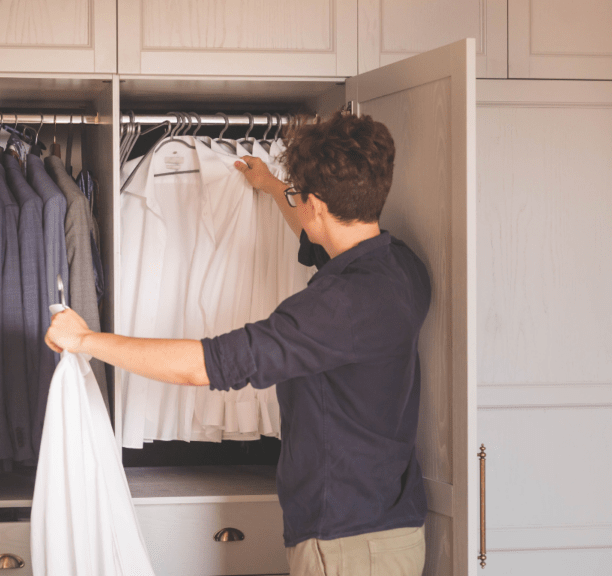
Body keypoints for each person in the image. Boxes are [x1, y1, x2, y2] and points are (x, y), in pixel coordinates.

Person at [45, 111, 430, 576]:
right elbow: (318, 240)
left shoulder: (333, 307)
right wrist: (272, 187)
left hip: (346, 546)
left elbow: (206, 366)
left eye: (298, 197)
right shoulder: (401, 268)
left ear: (318, 204)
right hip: (394, 529)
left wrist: (85, 339)